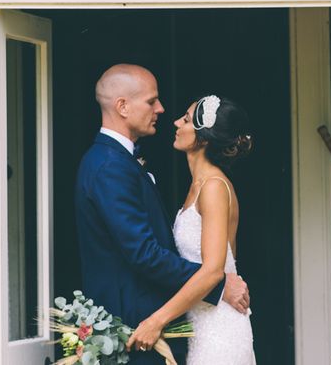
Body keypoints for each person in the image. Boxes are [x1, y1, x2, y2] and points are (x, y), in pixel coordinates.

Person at [74, 64, 250, 364]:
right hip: (139, 322)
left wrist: (215, 280)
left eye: (184, 118)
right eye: (151, 101)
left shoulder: (211, 186)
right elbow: (143, 252)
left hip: (203, 327)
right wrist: (219, 284)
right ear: (122, 106)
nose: (163, 110)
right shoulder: (111, 166)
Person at [127, 94, 257, 364]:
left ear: (204, 138)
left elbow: (213, 271)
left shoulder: (214, 188)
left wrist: (156, 321)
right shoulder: (199, 186)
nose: (176, 122)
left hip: (220, 330)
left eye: (185, 119)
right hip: (201, 325)